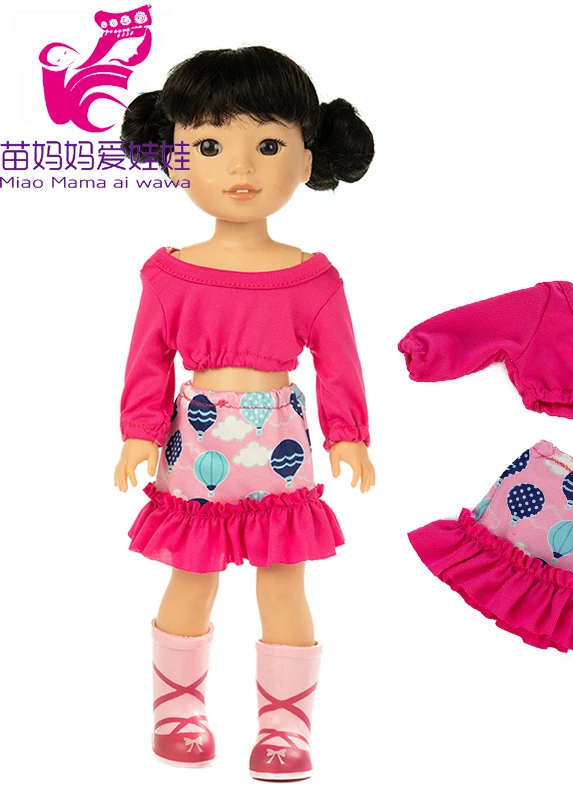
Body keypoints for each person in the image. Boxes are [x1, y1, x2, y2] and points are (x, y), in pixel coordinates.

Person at [113, 45, 375, 780]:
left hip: (282, 450)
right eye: (209, 145)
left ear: (308, 157)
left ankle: (285, 730)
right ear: (173, 157)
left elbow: (340, 364)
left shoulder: (312, 277)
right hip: (193, 446)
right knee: (190, 579)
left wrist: (349, 437)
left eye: (268, 146)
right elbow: (147, 361)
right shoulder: (169, 274)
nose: (240, 167)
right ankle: (177, 712)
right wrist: (138, 434)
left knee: (284, 581)